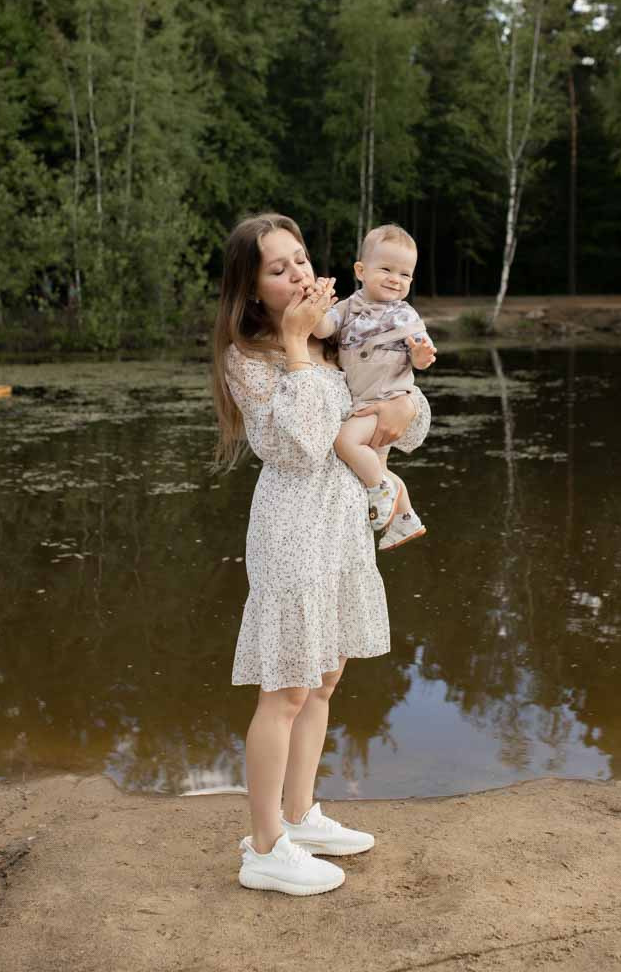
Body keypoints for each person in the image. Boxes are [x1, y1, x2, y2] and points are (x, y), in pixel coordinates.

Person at [213, 214, 431, 896]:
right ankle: (264, 845)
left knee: (325, 681)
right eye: (278, 270)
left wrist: (406, 411)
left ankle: (302, 814)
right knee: (285, 690)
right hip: (290, 533)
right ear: (252, 292)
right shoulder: (247, 358)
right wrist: (299, 345)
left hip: (340, 529)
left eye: (300, 259)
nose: (299, 275)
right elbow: (303, 443)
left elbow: (401, 411)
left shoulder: (341, 331)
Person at [312, 224, 436, 552]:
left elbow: (422, 355)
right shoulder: (349, 308)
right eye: (386, 269)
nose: (395, 279)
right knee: (375, 464)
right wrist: (315, 310)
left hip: (388, 399)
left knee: (344, 442)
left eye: (405, 274)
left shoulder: (405, 315)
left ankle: (380, 488)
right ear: (361, 271)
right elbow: (325, 329)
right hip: (365, 401)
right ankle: (405, 518)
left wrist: (421, 356)